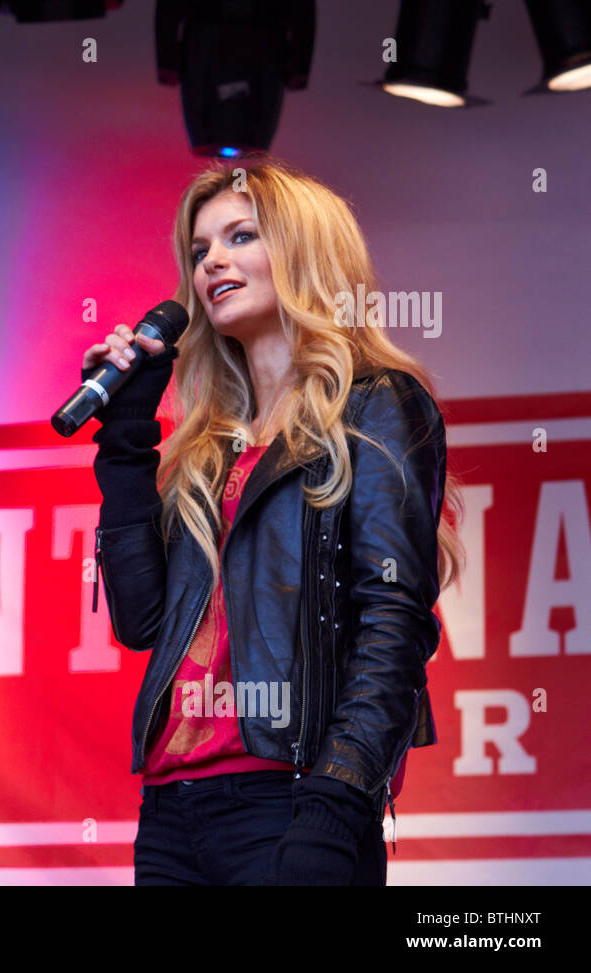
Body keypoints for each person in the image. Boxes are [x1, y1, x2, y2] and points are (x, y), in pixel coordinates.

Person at [84, 159, 464, 886]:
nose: (211, 263)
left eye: (240, 237)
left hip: (292, 800)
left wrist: (338, 799)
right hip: (171, 811)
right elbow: (142, 622)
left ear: (302, 252)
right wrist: (128, 440)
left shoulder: (377, 406)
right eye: (199, 252)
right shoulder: (207, 446)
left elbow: (394, 623)